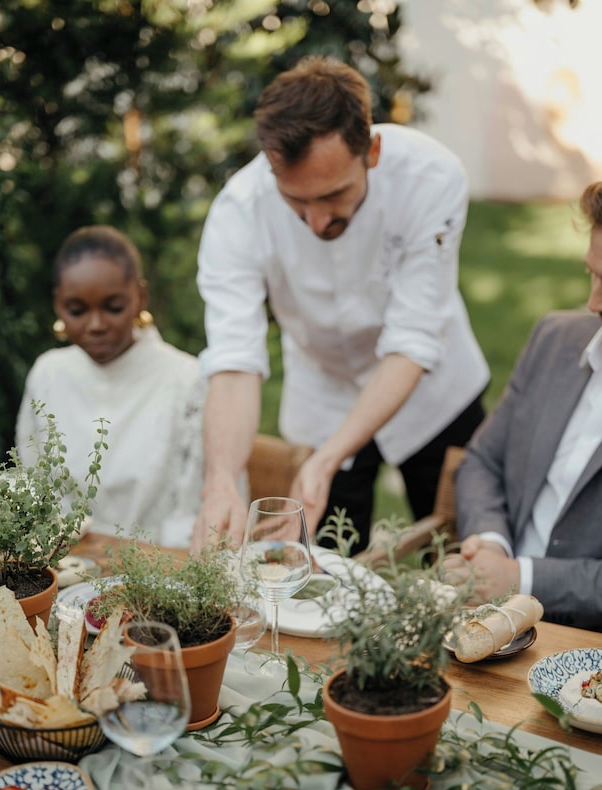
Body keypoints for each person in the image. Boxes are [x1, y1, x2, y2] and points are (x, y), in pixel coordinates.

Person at [192, 55, 489, 553]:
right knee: (326, 568)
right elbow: (235, 361)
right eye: (295, 201)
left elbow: (413, 340)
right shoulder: (237, 214)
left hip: (433, 392)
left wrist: (327, 458)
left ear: (371, 150)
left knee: (458, 554)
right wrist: (221, 477)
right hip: (322, 394)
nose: (315, 222)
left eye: (332, 195)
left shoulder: (432, 177)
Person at [450, 168, 602, 635]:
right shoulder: (554, 337)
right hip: (480, 612)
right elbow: (482, 461)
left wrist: (523, 578)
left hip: (595, 651)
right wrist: (491, 546)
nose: (595, 301)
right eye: (592, 274)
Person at [16, 225, 206, 548]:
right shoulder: (48, 374)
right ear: (58, 304)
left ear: (140, 297)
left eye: (113, 307)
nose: (96, 325)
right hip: (60, 563)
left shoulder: (188, 379)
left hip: (158, 571)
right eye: (77, 310)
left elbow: (196, 512)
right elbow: (32, 486)